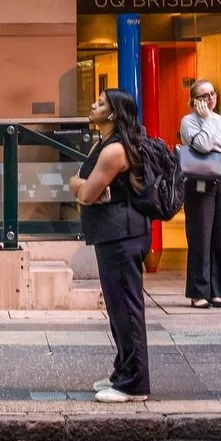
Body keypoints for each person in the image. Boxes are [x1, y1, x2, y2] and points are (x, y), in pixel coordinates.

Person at [69, 87, 151, 404]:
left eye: (101, 102)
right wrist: (81, 187)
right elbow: (79, 182)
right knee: (118, 311)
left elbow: (86, 193)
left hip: (123, 236)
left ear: (114, 113)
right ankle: (122, 372)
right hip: (111, 235)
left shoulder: (116, 150)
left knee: (128, 311)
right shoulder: (102, 144)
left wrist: (82, 188)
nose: (93, 104)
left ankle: (134, 384)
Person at [179, 80, 221, 309]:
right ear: (194, 100)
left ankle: (217, 290)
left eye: (212, 94)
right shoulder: (188, 121)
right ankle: (198, 292)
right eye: (204, 95)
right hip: (200, 179)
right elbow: (204, 146)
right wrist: (207, 122)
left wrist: (215, 140)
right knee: (200, 237)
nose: (210, 99)